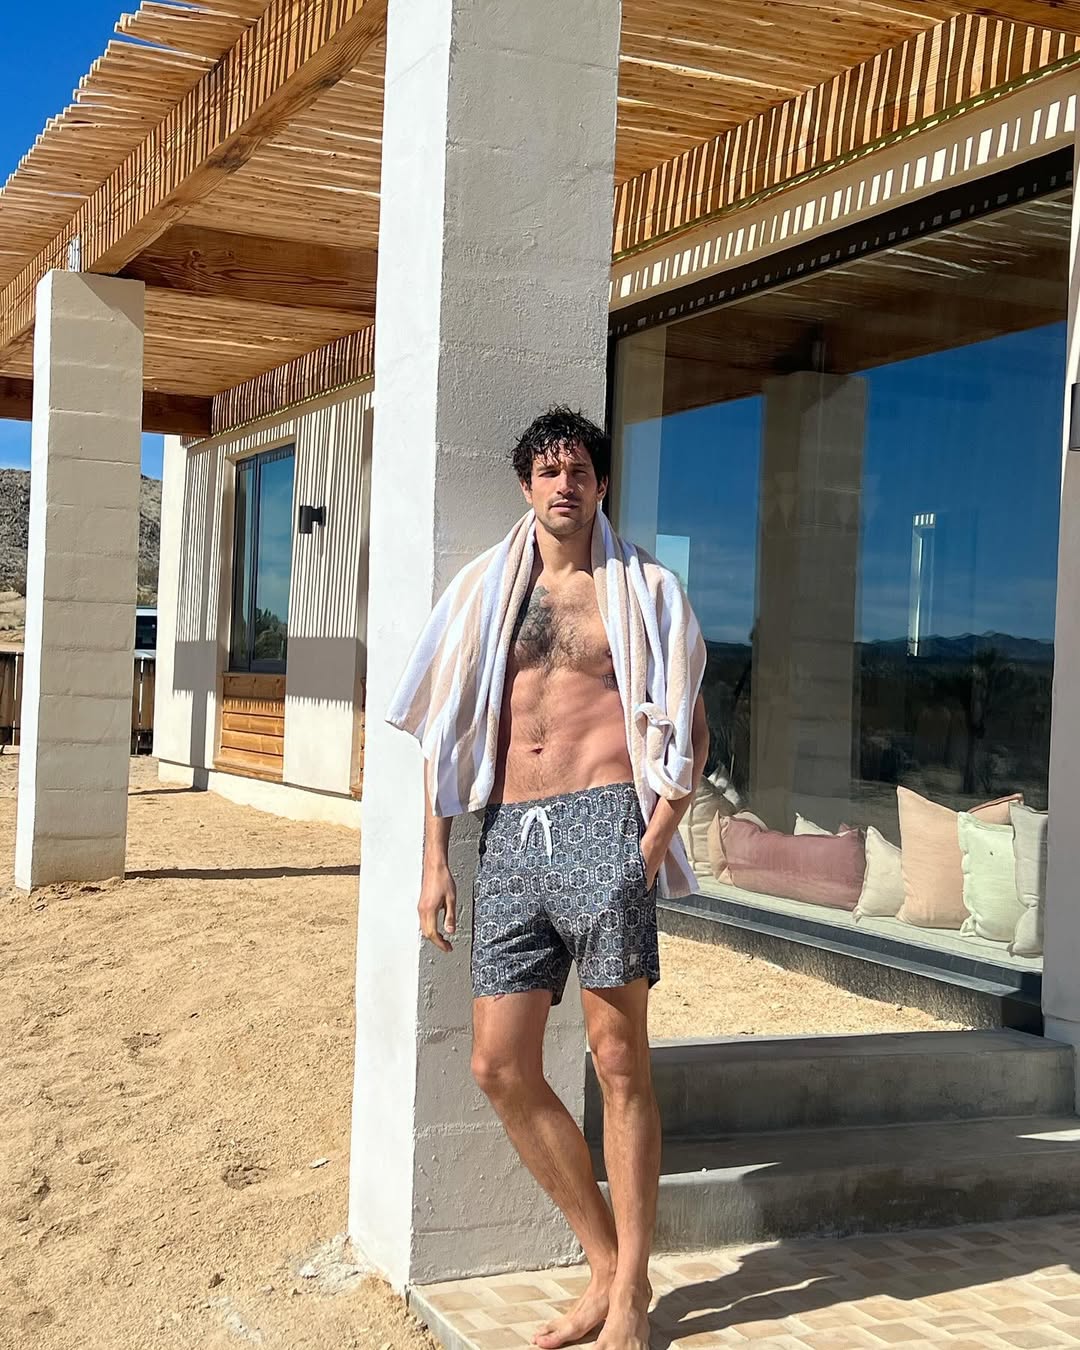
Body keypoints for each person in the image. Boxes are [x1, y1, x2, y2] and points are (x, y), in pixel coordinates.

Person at [388, 407, 709, 1350]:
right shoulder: (488, 591)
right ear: (527, 486)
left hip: (605, 822)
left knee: (619, 1062)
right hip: (510, 835)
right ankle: (606, 1263)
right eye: (548, 470)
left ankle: (632, 1290)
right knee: (498, 1064)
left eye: (579, 470)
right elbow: (448, 724)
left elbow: (689, 730)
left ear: (601, 485)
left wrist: (646, 847)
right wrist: (435, 858)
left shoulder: (644, 591)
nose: (564, 484)